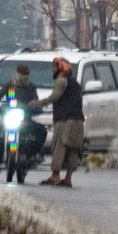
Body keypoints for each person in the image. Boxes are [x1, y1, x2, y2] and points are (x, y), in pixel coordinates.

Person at [30, 57, 84, 187]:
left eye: (54, 67)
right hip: (78, 120)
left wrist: (38, 103)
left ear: (60, 68)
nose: (52, 70)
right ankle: (68, 178)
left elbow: (55, 96)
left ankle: (55, 176)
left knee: (59, 146)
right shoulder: (75, 83)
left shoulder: (61, 81)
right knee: (72, 148)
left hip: (65, 120)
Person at [0, 63, 40, 181]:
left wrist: (35, 107)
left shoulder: (31, 88)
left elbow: (35, 101)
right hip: (9, 117)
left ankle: (30, 157)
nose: (24, 78)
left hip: (24, 119)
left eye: (26, 76)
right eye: (22, 75)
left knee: (38, 133)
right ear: (17, 75)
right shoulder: (10, 85)